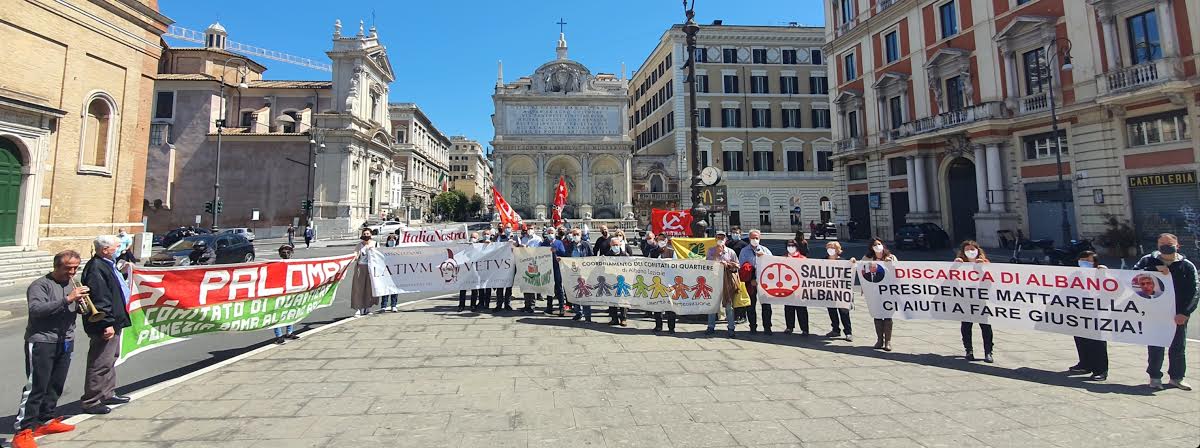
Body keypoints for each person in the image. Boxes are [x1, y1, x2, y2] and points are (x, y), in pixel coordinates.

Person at [12, 251, 87, 447]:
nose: (72, 272)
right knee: (36, 386)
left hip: (65, 339)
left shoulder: (71, 283)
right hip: (42, 341)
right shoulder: (40, 285)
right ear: (56, 266)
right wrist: (67, 299)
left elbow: (71, 309)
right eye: (67, 268)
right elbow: (36, 311)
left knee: (56, 384)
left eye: (75, 268)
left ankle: (45, 420)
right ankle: (23, 430)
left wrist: (80, 305)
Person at [1135, 233, 1197, 391]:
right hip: (1154, 312)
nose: (1165, 246)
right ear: (1157, 245)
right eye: (1162, 243)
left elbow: (1194, 291)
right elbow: (1132, 277)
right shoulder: (1147, 260)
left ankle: (1177, 378)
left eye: (1169, 244)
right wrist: (1153, 269)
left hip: (1178, 314)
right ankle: (1155, 377)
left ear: (1177, 246)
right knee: (1155, 346)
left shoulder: (1187, 265)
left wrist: (1185, 312)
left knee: (1178, 347)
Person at [80, 235, 132, 415]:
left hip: (114, 319)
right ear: (105, 250)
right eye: (117, 247)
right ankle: (92, 400)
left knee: (111, 358)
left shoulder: (108, 264)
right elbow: (100, 298)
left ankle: (107, 393)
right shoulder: (96, 268)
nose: (121, 249)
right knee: (101, 360)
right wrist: (106, 323)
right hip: (105, 322)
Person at [1069, 250, 1109, 381]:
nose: (1085, 262)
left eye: (1089, 260)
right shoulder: (1075, 273)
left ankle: (1101, 370)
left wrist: (1105, 273)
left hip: (1096, 311)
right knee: (1081, 339)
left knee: (1097, 342)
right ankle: (1085, 364)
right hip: (1079, 310)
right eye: (1083, 259)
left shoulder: (1101, 272)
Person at [954, 240, 994, 363]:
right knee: (966, 326)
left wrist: (982, 267)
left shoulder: (985, 262)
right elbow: (950, 278)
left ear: (977, 250)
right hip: (965, 299)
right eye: (967, 250)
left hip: (981, 299)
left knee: (985, 326)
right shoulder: (959, 263)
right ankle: (969, 350)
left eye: (973, 249)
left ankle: (988, 352)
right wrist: (955, 266)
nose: (970, 252)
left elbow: (991, 279)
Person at [863, 237, 897, 351]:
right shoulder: (867, 258)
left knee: (887, 315)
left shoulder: (891, 257)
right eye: (875, 245)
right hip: (874, 291)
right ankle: (879, 340)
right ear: (872, 248)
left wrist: (891, 265)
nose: (877, 246)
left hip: (888, 291)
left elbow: (899, 272)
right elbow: (860, 270)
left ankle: (888, 341)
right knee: (877, 314)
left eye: (879, 244)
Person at [738, 229, 773, 335]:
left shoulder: (765, 250)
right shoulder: (744, 251)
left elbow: (772, 264)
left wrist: (764, 257)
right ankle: (753, 326)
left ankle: (767, 327)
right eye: (753, 238)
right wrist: (751, 279)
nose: (755, 240)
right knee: (751, 305)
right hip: (751, 281)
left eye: (756, 238)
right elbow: (742, 266)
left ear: (760, 238)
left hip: (764, 281)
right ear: (749, 239)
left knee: (766, 306)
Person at [706, 230, 740, 337]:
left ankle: (731, 328)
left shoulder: (730, 252)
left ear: (725, 239)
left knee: (729, 305)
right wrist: (716, 255)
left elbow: (738, 265)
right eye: (718, 238)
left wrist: (728, 264)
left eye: (722, 238)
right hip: (715, 280)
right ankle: (711, 326)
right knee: (713, 305)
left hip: (727, 280)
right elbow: (707, 265)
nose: (720, 240)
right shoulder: (711, 250)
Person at [824, 241, 852, 341]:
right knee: (832, 311)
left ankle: (848, 332)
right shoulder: (823, 260)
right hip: (828, 290)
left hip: (840, 291)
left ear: (837, 250)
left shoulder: (843, 261)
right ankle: (835, 329)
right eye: (828, 247)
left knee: (844, 311)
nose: (830, 250)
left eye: (832, 248)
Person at [651, 234, 677, 334]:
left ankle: (671, 327)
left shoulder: (672, 252)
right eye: (659, 239)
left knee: (670, 306)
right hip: (657, 282)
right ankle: (658, 326)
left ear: (666, 240)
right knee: (657, 305)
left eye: (663, 239)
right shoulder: (653, 251)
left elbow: (676, 266)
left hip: (669, 282)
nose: (661, 241)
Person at [782, 239, 810, 336]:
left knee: (801, 309)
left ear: (796, 247)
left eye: (793, 245)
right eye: (789, 245)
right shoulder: (782, 258)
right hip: (787, 287)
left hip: (800, 288)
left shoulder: (802, 258)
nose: (791, 247)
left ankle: (805, 329)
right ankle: (789, 327)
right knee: (788, 308)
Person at [566, 228, 594, 322]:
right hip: (573, 273)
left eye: (577, 234)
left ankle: (587, 316)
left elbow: (592, 257)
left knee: (585, 294)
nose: (575, 236)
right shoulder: (569, 246)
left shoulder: (586, 245)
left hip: (585, 274)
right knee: (575, 294)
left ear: (581, 235)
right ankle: (578, 313)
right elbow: (566, 257)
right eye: (574, 234)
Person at [350, 229, 380, 317]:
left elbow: (379, 255)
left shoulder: (375, 244)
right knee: (359, 288)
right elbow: (355, 256)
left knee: (369, 288)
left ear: (370, 234)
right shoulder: (359, 245)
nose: (366, 235)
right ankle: (359, 308)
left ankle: (367, 307)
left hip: (371, 268)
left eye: (367, 233)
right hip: (361, 267)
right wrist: (354, 256)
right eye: (364, 234)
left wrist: (373, 250)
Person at [605, 235, 630, 326]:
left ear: (620, 245)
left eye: (617, 244)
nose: (615, 246)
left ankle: (623, 318)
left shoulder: (624, 255)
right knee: (612, 301)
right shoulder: (607, 255)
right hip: (611, 280)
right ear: (610, 245)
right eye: (614, 245)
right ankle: (614, 318)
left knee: (622, 300)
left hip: (622, 281)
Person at [547, 228, 568, 316]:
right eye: (549, 233)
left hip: (557, 267)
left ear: (555, 233)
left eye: (552, 233)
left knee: (559, 287)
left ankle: (561, 307)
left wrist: (556, 251)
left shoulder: (559, 243)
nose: (550, 234)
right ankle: (549, 306)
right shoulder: (544, 243)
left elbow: (564, 253)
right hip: (547, 267)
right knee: (549, 287)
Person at [378, 234, 400, 313]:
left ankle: (393, 305)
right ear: (387, 241)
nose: (392, 242)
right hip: (386, 271)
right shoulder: (383, 250)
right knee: (385, 289)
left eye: (393, 240)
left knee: (394, 290)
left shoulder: (399, 250)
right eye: (390, 240)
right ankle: (383, 306)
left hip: (396, 271)